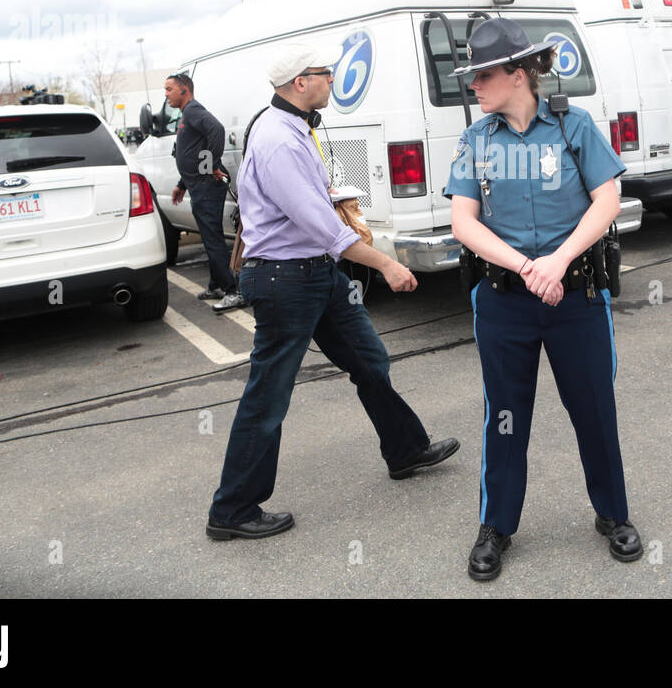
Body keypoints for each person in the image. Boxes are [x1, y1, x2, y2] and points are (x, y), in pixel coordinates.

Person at [206, 44, 459, 540]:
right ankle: (232, 510)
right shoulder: (279, 139)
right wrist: (387, 263)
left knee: (369, 361)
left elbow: (310, 211)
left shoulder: (296, 129)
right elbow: (323, 229)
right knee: (269, 394)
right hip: (286, 279)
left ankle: (405, 450)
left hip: (315, 274)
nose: (332, 81)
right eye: (325, 74)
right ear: (301, 83)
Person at [444, 18, 641, 581]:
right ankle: (496, 525)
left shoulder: (573, 126)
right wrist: (527, 266)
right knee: (504, 415)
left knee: (594, 409)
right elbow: (463, 221)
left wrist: (559, 261)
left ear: (517, 73)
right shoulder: (475, 140)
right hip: (506, 298)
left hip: (575, 292)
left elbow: (607, 200)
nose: (474, 86)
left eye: (482, 75)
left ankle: (613, 514)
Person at [165, 73, 245, 311]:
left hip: (207, 187)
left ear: (184, 91)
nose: (166, 94)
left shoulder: (192, 110)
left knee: (213, 239)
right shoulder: (186, 114)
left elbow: (217, 130)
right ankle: (216, 285)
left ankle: (233, 291)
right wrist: (182, 184)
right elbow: (191, 151)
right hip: (197, 185)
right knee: (210, 238)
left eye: (169, 89)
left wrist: (211, 164)